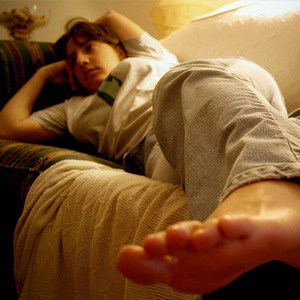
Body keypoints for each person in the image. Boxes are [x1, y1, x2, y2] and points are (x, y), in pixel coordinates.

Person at [1, 9, 300, 296]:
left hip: (230, 95)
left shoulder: (147, 58)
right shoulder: (74, 110)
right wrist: (42, 73)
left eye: (89, 47)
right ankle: (273, 199)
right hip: (161, 144)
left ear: (119, 49)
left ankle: (270, 191)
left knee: (186, 77)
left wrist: (85, 31)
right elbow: (8, 127)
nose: (81, 60)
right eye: (71, 60)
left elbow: (110, 17)